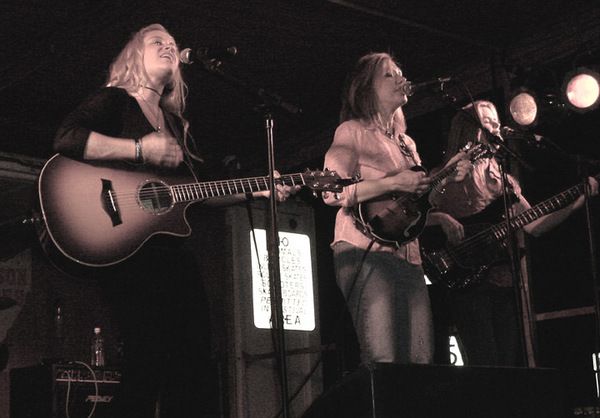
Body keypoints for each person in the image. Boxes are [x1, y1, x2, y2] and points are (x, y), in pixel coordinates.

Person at [52, 23, 296, 417]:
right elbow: (66, 138)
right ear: (134, 55)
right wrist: (139, 149)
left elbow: (199, 192)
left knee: (194, 357)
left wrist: (259, 189)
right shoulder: (115, 101)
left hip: (170, 250)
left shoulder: (177, 126)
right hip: (125, 246)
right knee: (147, 358)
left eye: (172, 43)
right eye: (157, 42)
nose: (168, 46)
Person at [322, 52, 472, 365]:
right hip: (363, 250)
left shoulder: (407, 143)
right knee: (383, 357)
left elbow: (418, 204)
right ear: (366, 88)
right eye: (388, 74)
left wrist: (447, 177)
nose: (401, 79)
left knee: (420, 357)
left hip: (408, 255)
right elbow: (332, 192)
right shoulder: (351, 131)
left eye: (400, 73)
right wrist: (393, 182)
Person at [429, 99, 598, 366]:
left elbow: (535, 225)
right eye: (488, 121)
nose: (496, 127)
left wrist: (578, 200)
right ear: (468, 129)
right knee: (485, 363)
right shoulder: (444, 175)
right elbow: (414, 217)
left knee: (509, 361)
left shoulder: (506, 181)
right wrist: (441, 218)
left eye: (497, 121)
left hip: (505, 278)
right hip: (468, 280)